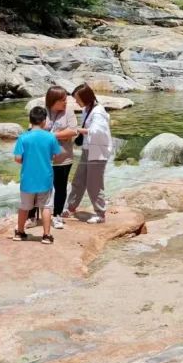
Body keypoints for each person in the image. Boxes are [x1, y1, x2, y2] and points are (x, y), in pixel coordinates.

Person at [64, 83, 112, 223]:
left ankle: (100, 214)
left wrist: (77, 130)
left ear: (85, 97)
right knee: (78, 180)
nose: (76, 102)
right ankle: (71, 207)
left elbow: (97, 131)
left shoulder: (98, 112)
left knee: (94, 184)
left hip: (98, 152)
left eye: (77, 99)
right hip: (87, 149)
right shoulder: (87, 109)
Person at [13, 106, 62, 243]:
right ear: (44, 121)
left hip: (27, 179)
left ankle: (19, 232)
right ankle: (46, 236)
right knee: (46, 206)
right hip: (45, 178)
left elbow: (17, 158)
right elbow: (55, 155)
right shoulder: (50, 137)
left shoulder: (23, 138)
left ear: (30, 120)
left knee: (24, 206)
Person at [45, 86, 79, 229]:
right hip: (44, 158)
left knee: (60, 188)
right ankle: (33, 217)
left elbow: (73, 131)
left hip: (63, 158)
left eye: (66, 99)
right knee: (41, 188)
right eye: (63, 100)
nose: (66, 102)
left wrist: (52, 135)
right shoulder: (43, 111)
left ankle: (57, 215)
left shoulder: (68, 112)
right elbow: (32, 128)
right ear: (53, 100)